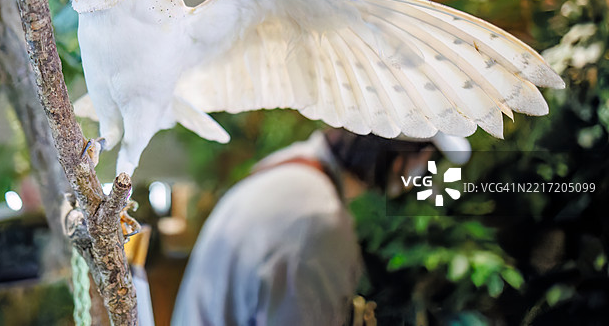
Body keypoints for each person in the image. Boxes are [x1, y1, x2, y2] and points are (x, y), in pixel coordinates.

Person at [171, 130, 470, 326]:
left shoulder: (287, 172)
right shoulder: (318, 219)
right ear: (399, 150)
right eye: (426, 155)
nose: (423, 170)